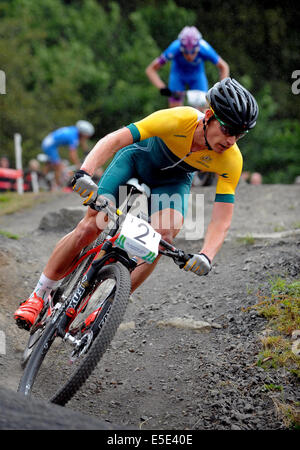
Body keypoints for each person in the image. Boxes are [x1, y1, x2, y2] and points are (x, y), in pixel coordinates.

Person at [14, 78, 258, 331]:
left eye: (240, 134)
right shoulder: (178, 119)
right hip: (135, 160)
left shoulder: (231, 159)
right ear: (208, 115)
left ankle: (106, 309)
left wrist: (207, 255)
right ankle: (39, 295)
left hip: (172, 182)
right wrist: (85, 172)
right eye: (228, 129)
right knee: (92, 226)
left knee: (162, 240)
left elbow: (222, 217)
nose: (232, 140)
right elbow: (116, 139)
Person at [146, 26, 229, 109]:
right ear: (181, 48)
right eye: (185, 52)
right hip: (178, 75)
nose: (189, 56)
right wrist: (162, 88)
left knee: (202, 110)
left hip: (197, 76)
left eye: (193, 52)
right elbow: (151, 69)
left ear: (198, 48)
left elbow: (224, 66)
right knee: (175, 110)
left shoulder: (204, 48)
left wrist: (220, 90)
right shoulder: (175, 48)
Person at [41, 120, 95, 188]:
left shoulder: (75, 131)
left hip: (49, 142)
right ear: (83, 133)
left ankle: (42, 178)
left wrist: (87, 152)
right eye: (87, 136)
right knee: (58, 166)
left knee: (51, 164)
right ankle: (58, 187)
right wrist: (78, 165)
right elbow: (72, 155)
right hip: (49, 146)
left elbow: (82, 142)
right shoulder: (73, 137)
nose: (87, 138)